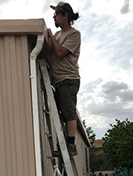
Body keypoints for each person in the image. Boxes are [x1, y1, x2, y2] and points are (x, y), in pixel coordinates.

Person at [48, 2, 81, 156]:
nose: (53, 17)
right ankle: (64, 145)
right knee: (62, 114)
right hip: (58, 80)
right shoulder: (57, 36)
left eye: (56, 14)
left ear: (65, 15)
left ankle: (71, 147)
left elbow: (60, 52)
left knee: (69, 113)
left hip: (68, 79)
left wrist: (49, 35)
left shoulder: (74, 34)